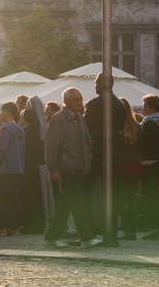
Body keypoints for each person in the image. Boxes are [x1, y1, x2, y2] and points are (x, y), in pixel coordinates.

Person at [44, 87, 102, 248]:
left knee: (66, 204)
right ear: (66, 102)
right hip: (66, 168)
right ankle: (86, 238)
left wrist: (87, 161)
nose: (79, 102)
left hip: (80, 168)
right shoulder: (58, 119)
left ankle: (51, 236)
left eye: (80, 99)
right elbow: (51, 146)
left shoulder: (80, 118)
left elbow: (88, 143)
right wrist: (53, 169)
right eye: (76, 100)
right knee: (78, 202)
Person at [83, 72, 127, 239]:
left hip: (95, 153)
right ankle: (112, 231)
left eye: (96, 84)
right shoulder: (119, 104)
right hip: (113, 154)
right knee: (112, 194)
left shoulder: (94, 104)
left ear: (102, 84)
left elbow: (85, 129)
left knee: (84, 191)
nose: (95, 87)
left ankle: (88, 229)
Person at [0, 102, 25, 237]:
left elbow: (1, 149)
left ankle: (0, 226)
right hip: (17, 168)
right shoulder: (19, 129)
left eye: (1, 111)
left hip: (6, 168)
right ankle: (13, 227)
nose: (0, 114)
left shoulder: (6, 128)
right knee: (14, 200)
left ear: (7, 112)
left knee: (0, 198)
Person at [139, 94, 159, 237]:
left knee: (150, 196)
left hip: (149, 162)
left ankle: (155, 228)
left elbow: (140, 142)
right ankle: (158, 226)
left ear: (152, 107)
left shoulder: (149, 123)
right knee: (155, 195)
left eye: (145, 107)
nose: (143, 110)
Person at [116, 98, 142, 240]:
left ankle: (127, 229)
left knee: (123, 199)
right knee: (132, 198)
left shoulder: (117, 126)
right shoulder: (137, 126)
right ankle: (132, 228)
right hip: (135, 165)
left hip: (121, 165)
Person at [20, 108, 46, 234]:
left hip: (29, 168)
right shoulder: (32, 131)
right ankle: (35, 223)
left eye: (21, 117)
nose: (19, 119)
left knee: (30, 197)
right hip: (32, 168)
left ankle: (32, 224)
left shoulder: (28, 133)